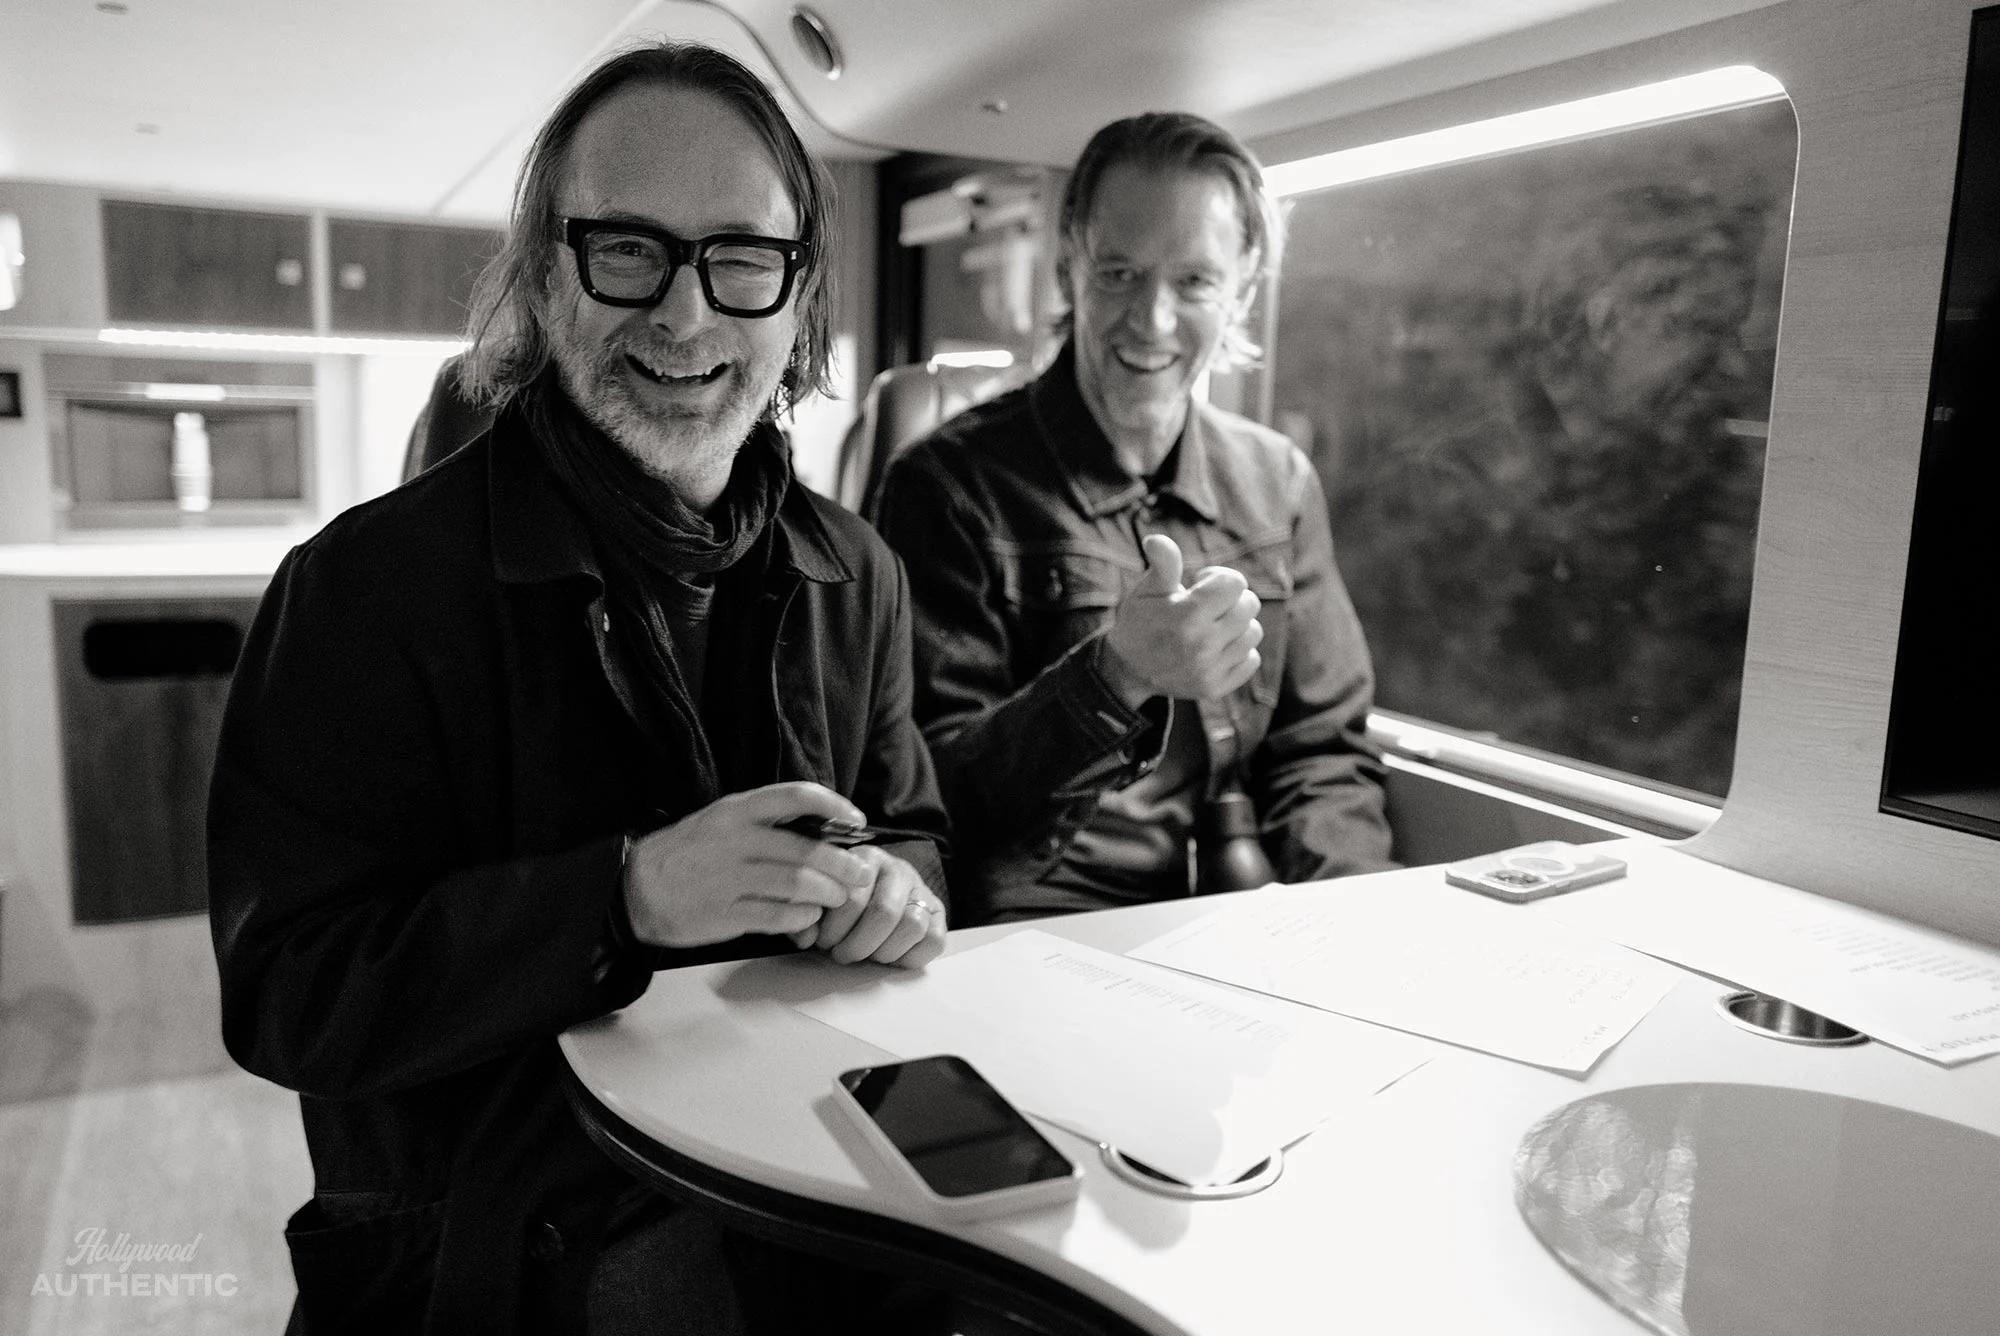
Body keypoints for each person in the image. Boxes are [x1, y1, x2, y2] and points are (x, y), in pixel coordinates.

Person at [206, 42, 949, 1336]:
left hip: (809, 1181)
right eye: (627, 250)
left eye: (740, 258)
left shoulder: (858, 572)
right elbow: (289, 994)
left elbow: (915, 832)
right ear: (545, 279)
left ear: (799, 298)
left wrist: (896, 891)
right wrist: (622, 899)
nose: (685, 315)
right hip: (504, 1240)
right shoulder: (363, 590)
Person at [876, 112, 1393, 925]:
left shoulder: (1279, 483)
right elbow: (926, 800)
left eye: (1194, 282)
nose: (1152, 320)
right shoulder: (945, 487)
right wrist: (1117, 676)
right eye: (1119, 273)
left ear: (1242, 292)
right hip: (1032, 928)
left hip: (1230, 914)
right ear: (1068, 271)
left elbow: (1321, 757)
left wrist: (1355, 922)